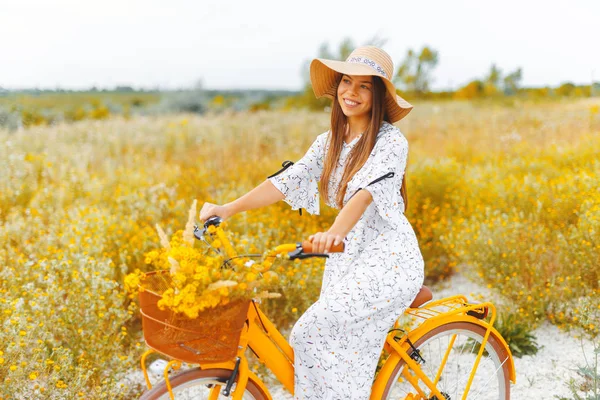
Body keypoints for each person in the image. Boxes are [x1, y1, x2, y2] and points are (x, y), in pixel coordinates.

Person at [199, 45, 425, 400]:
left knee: (309, 332)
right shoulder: (329, 142)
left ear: (379, 95)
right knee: (330, 347)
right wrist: (227, 208)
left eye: (365, 86)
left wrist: (333, 234)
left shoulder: (390, 141)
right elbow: (285, 181)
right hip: (348, 260)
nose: (351, 92)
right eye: (347, 82)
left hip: (388, 260)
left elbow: (365, 193)